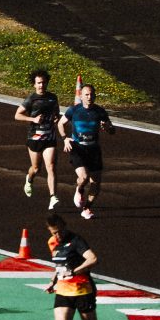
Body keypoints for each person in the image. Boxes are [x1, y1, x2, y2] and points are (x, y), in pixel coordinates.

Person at [42, 213, 129, 320]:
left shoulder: (76, 241)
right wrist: (53, 281)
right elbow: (59, 265)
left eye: (59, 231)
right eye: (54, 232)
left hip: (82, 290)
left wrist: (75, 271)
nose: (57, 235)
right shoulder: (52, 243)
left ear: (64, 225)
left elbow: (93, 259)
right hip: (63, 291)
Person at [60, 82, 117, 219]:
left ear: (95, 96)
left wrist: (108, 128)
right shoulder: (74, 110)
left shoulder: (100, 112)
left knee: (96, 183)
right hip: (78, 148)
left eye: (91, 94)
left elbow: (112, 130)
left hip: (94, 150)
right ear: (81, 96)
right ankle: (79, 189)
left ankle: (87, 208)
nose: (89, 97)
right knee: (84, 177)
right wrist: (65, 138)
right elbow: (60, 123)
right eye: (86, 94)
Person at [16, 70, 63, 207]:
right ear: (34, 85)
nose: (41, 85)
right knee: (36, 169)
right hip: (35, 137)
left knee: (51, 166)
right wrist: (33, 119)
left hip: (49, 137)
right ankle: (29, 179)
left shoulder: (53, 98)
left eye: (43, 82)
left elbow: (56, 113)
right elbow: (17, 115)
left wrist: (56, 118)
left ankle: (53, 197)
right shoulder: (31, 99)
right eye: (39, 83)